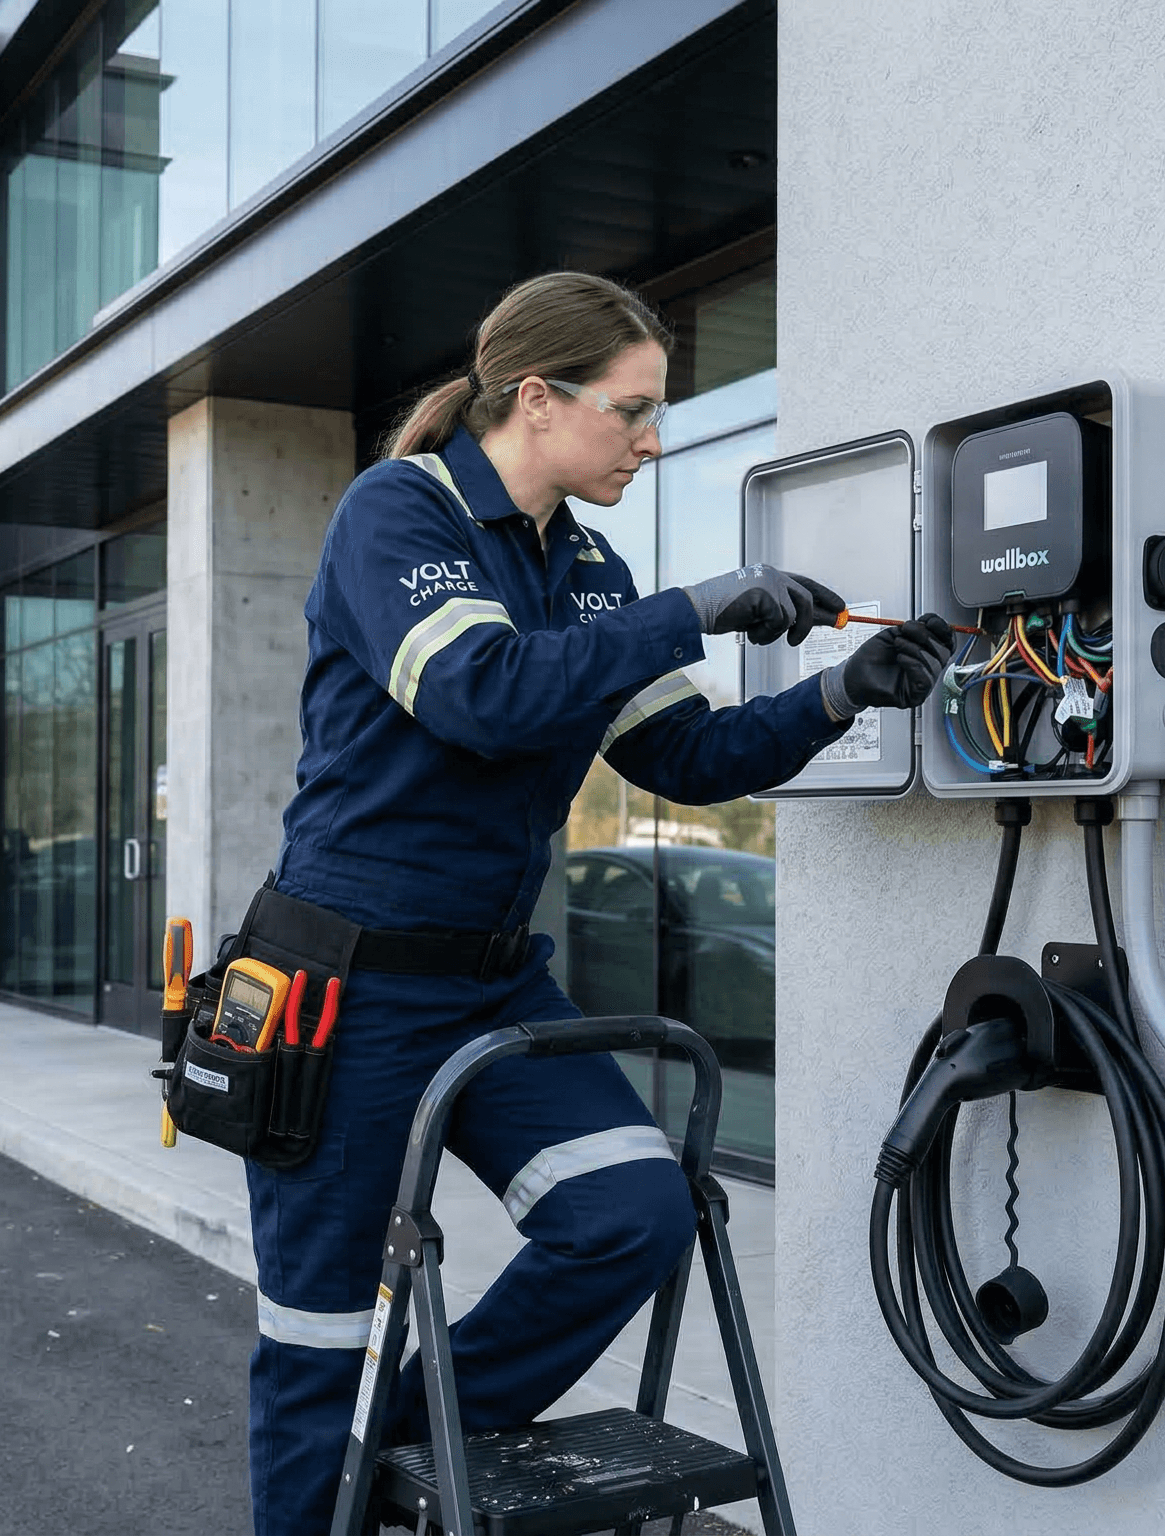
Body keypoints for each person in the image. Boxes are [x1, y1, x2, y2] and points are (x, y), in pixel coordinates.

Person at [238, 271, 950, 1532]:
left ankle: (400, 1448)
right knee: (322, 1340)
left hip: (491, 982)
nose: (652, 438)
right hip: (343, 987)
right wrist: (695, 607)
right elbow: (481, 690)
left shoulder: (588, 570)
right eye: (631, 410)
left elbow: (686, 759)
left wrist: (840, 695)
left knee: (634, 1213)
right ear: (536, 399)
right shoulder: (396, 516)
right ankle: (345, 1464)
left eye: (658, 411)